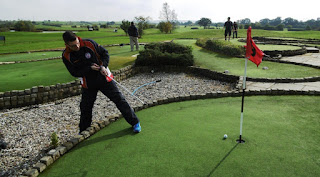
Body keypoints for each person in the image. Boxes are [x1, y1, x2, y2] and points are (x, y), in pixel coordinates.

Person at [62, 31, 141, 133]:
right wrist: (89, 68)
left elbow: (105, 54)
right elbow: (74, 72)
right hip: (88, 84)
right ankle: (83, 132)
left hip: (104, 78)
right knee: (85, 107)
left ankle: (135, 122)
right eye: (73, 46)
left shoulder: (89, 43)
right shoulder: (66, 55)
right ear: (66, 44)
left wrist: (103, 65)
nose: (77, 46)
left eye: (77, 43)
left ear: (78, 38)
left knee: (119, 100)